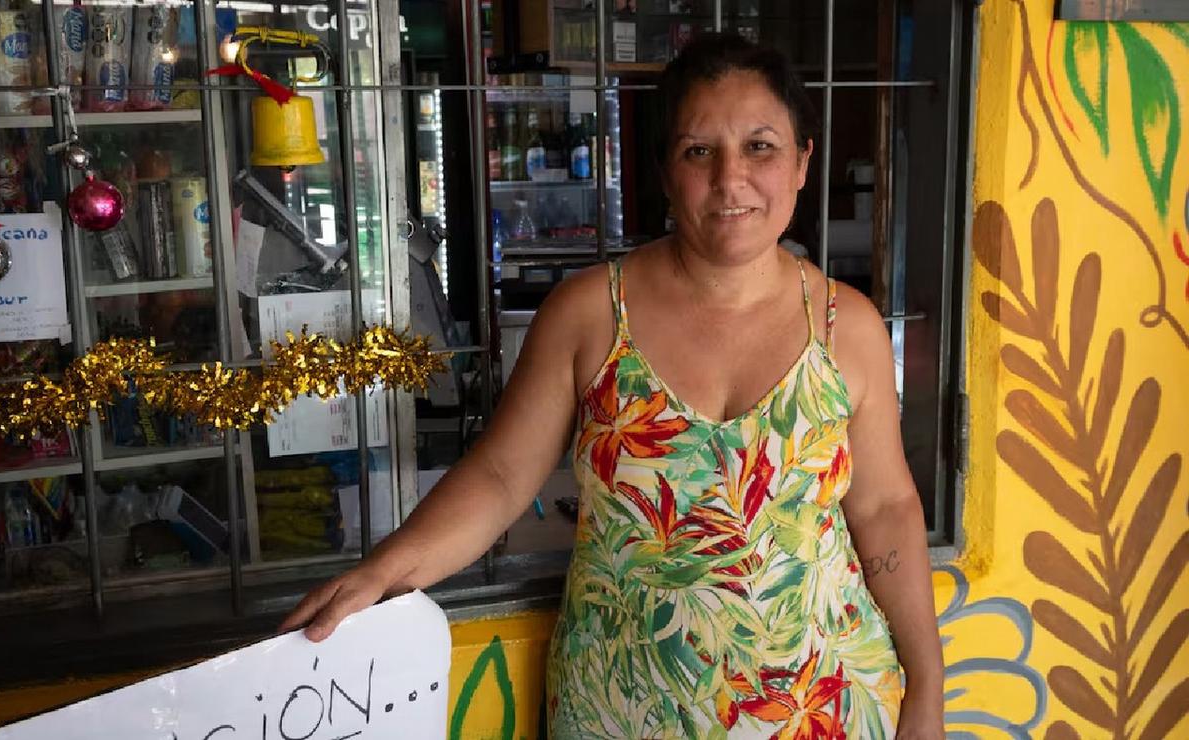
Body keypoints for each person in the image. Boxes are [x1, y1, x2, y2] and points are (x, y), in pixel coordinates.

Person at [282, 33, 945, 739]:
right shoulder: (591, 314)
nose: (731, 179)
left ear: (803, 161)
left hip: (827, 704)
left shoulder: (849, 327)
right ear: (663, 170)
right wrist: (381, 574)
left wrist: (928, 689)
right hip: (622, 710)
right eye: (698, 151)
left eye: (760, 146)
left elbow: (885, 508)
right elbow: (503, 477)